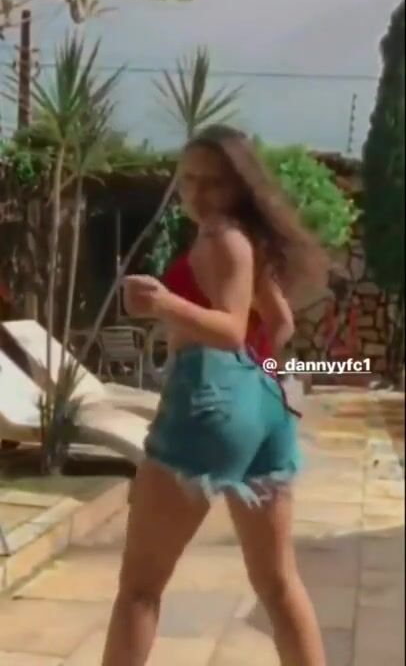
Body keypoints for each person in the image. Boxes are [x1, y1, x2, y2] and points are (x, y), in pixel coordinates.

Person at [102, 126, 328, 666]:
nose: (198, 194)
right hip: (263, 408)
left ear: (239, 185)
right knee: (278, 582)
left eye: (213, 182)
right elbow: (280, 323)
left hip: (205, 400)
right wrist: (253, 382)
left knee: (140, 588)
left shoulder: (221, 238)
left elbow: (228, 328)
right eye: (189, 181)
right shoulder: (243, 239)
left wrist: (163, 303)